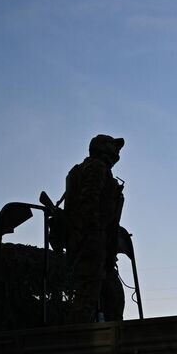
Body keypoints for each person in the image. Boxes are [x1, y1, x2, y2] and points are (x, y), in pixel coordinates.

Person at [64, 134, 126, 323]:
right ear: (103, 148)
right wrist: (94, 236)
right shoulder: (96, 168)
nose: (117, 152)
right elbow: (88, 203)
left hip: (96, 244)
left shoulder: (92, 169)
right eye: (113, 147)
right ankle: (79, 342)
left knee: (112, 295)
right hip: (91, 243)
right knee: (87, 298)